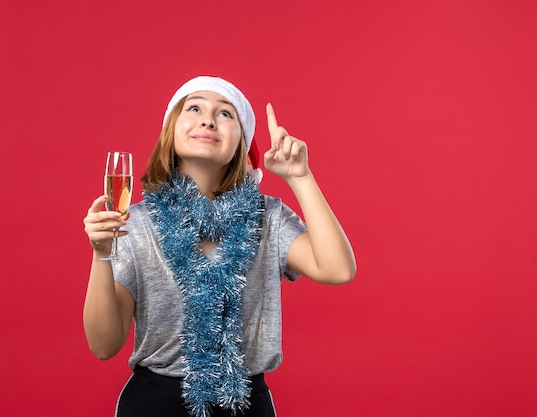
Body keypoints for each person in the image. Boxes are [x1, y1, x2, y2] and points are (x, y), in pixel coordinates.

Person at [83, 76, 356, 417]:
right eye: (194, 107)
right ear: (171, 130)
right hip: (156, 403)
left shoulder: (267, 218)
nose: (208, 119)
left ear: (241, 142)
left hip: (244, 402)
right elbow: (103, 345)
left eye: (226, 114)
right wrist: (101, 253)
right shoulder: (135, 223)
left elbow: (337, 269)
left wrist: (300, 177)